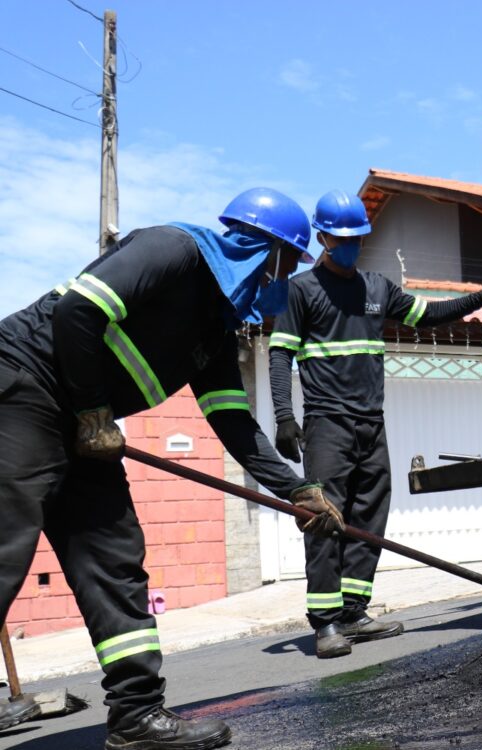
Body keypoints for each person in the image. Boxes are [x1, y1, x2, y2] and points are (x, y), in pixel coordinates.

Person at [0, 187, 345, 749]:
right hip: (22, 389)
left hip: (89, 425)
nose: (284, 279)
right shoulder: (173, 249)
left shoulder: (215, 330)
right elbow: (77, 311)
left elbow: (234, 422)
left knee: (114, 559)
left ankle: (136, 715)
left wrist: (298, 490)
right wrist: (92, 412)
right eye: (289, 262)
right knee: (4, 550)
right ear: (267, 249)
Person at [268, 189, 482, 659]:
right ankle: (324, 624)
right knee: (324, 519)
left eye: (357, 238)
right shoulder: (301, 291)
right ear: (322, 237)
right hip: (327, 425)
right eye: (341, 239)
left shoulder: (378, 288)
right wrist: (284, 417)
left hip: (371, 424)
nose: (350, 246)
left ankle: (354, 613)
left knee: (370, 515)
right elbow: (280, 356)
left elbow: (429, 315)